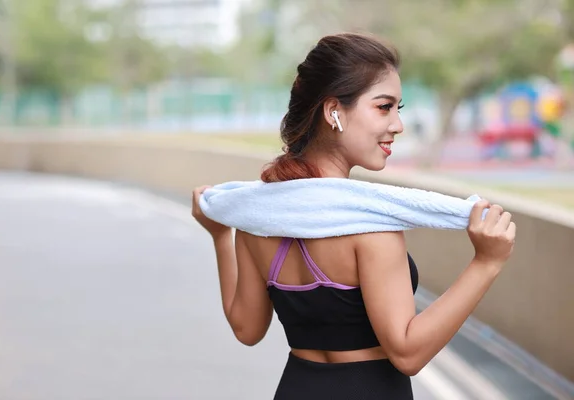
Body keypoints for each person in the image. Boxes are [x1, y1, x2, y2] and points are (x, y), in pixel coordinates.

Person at [191, 32, 516, 399]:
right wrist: (486, 263)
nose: (398, 125)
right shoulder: (369, 226)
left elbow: (246, 329)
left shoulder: (257, 214)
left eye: (399, 109)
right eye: (383, 106)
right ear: (334, 112)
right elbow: (408, 353)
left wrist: (220, 235)